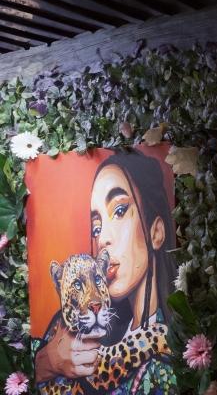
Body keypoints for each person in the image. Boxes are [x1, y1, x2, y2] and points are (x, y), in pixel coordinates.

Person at [34, 151, 178, 393]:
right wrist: (44, 361)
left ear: (156, 232)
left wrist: (153, 337)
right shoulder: (103, 327)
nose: (102, 240)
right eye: (96, 227)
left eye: (119, 211)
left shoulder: (176, 340)